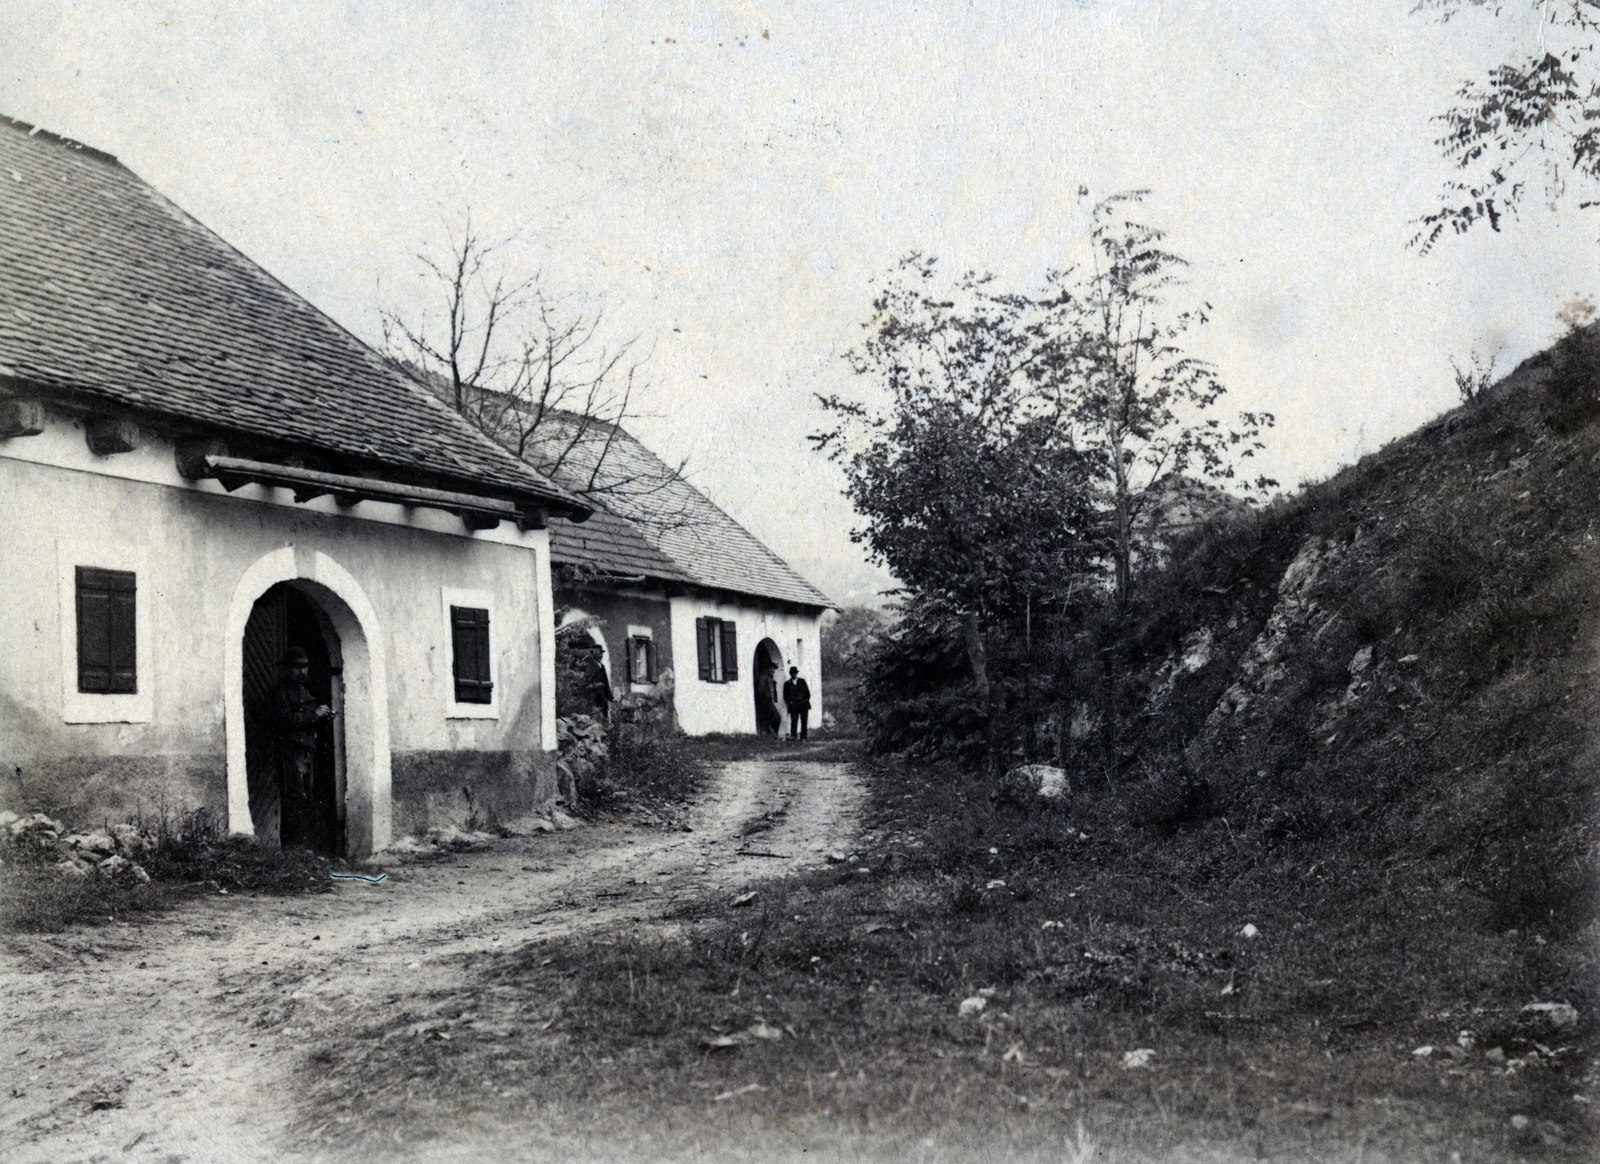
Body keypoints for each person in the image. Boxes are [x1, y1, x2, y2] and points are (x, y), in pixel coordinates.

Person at [270, 646, 333, 810]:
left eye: (305, 666)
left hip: (309, 750)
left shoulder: (309, 687)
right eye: (297, 667)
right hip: (291, 752)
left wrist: (325, 717)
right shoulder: (281, 691)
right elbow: (285, 720)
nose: (302, 671)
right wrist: (314, 715)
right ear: (287, 669)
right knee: (296, 798)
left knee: (310, 796)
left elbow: (314, 719)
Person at [782, 665, 811, 741]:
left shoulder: (802, 681)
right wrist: (790, 702)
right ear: (790, 674)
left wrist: (805, 700)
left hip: (803, 705)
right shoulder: (787, 684)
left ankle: (803, 737)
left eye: (795, 673)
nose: (794, 674)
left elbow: (807, 693)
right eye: (792, 673)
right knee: (794, 721)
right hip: (794, 705)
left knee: (804, 721)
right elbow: (785, 696)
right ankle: (793, 737)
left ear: (797, 673)